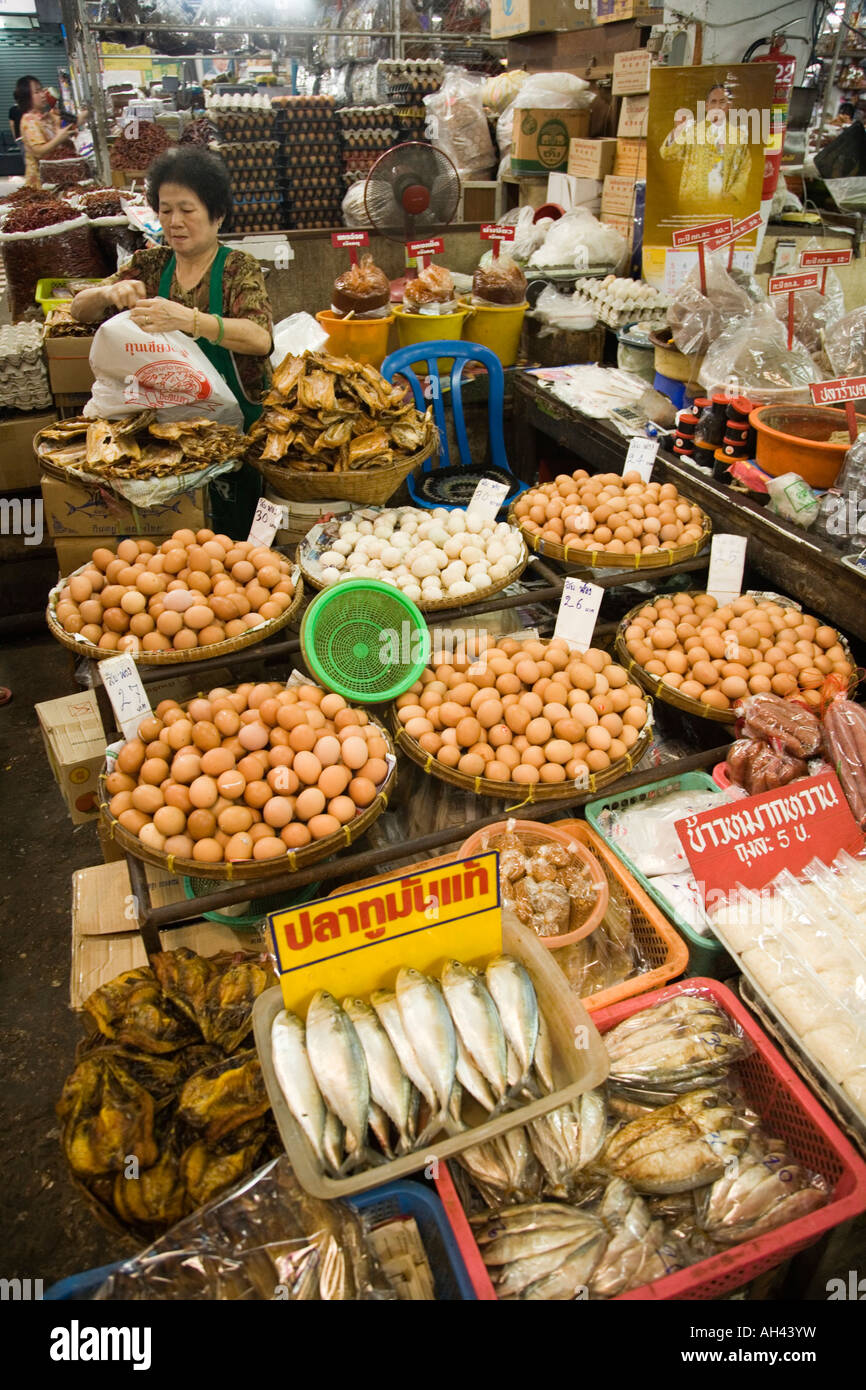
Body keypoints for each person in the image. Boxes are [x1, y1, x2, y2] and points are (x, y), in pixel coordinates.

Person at [70, 146, 273, 531]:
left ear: (218, 215)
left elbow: (260, 338)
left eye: (187, 209)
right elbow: (79, 309)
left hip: (235, 432)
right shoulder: (149, 264)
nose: (175, 221)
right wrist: (106, 293)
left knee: (234, 530)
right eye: (165, 210)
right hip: (166, 434)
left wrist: (190, 319)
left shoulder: (236, 268)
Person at [660, 83, 752, 206]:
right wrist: (677, 130)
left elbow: (745, 169)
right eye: (713, 102)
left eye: (722, 102)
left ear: (729, 105)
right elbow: (667, 154)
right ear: (707, 106)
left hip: (723, 204)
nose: (717, 107)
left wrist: (733, 195)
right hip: (693, 201)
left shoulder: (739, 136)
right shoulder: (693, 131)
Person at [15, 76, 77, 186]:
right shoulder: (29, 120)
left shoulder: (47, 116)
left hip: (57, 176)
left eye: (42, 90)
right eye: (37, 92)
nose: (43, 94)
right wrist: (59, 138)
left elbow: (73, 122)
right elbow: (38, 151)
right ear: (27, 97)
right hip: (42, 182)